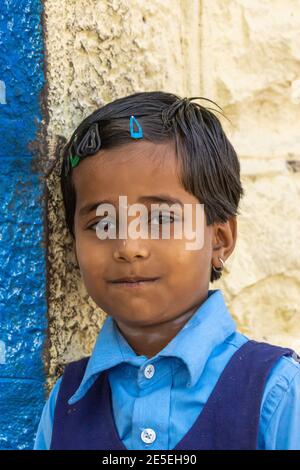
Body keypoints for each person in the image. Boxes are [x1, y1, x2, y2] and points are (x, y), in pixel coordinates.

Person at [34, 91, 300, 450]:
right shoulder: (66, 405)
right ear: (74, 247)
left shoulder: (277, 393)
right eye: (101, 224)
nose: (129, 248)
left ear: (219, 240)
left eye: (161, 218)